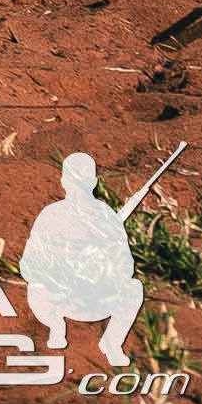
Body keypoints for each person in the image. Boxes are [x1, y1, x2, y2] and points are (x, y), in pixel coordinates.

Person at [20, 152, 147, 366]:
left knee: (35, 288)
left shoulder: (53, 213)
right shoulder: (98, 214)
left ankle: (103, 340)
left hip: (78, 299)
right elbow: (127, 267)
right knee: (133, 288)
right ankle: (69, 330)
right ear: (94, 182)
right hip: (86, 299)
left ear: (63, 181)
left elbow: (29, 265)